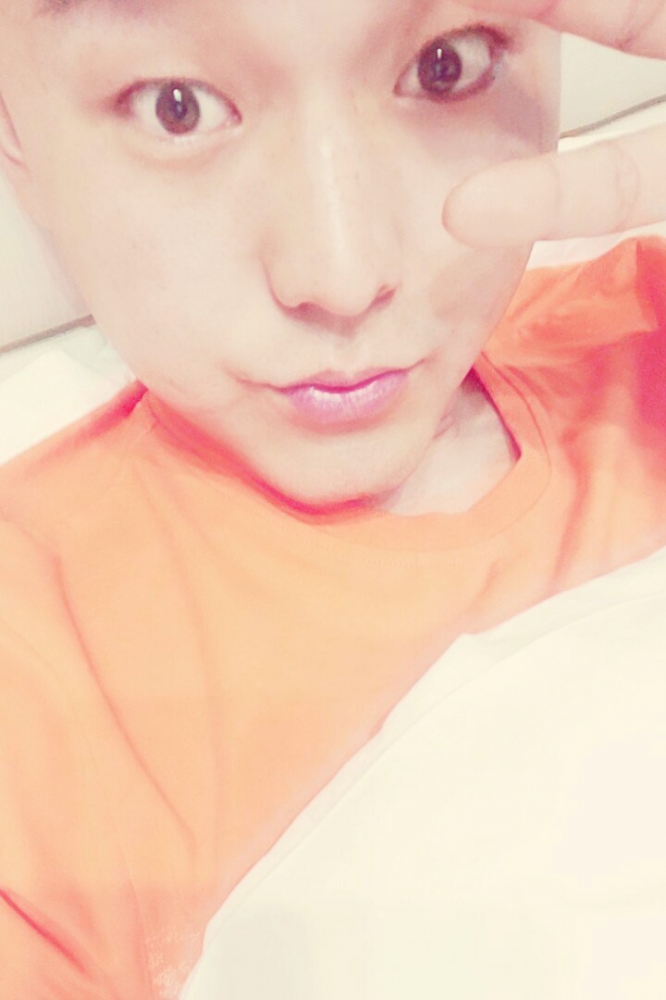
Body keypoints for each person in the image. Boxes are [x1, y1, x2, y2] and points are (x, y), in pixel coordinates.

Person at [0, 0, 664, 995]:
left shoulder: (644, 331)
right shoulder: (36, 673)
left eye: (446, 65)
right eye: (177, 106)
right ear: (13, 128)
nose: (343, 277)